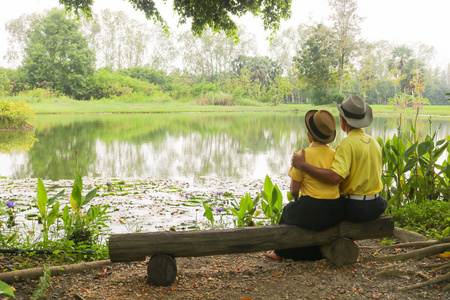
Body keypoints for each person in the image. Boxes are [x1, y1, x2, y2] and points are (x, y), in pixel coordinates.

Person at [291, 95, 387, 223]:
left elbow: (336, 178)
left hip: (356, 207)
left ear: (342, 120)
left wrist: (303, 166)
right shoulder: (374, 142)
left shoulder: (346, 144)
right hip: (377, 204)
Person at [266, 109, 344, 262]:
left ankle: (279, 252)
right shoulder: (337, 154)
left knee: (288, 211)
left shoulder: (301, 156)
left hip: (311, 208)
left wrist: (296, 200)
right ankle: (316, 252)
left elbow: (294, 190)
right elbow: (341, 185)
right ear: (329, 137)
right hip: (335, 210)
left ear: (309, 135)